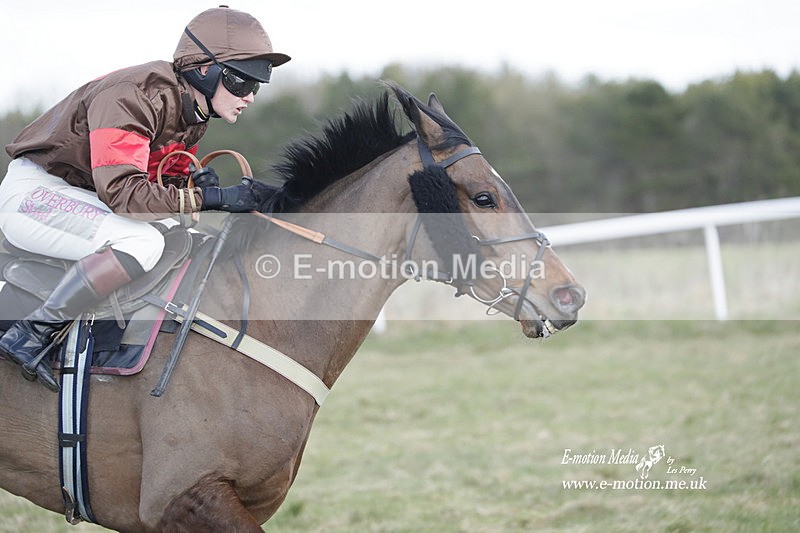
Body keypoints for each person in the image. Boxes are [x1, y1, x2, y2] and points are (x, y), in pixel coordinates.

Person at [0, 6, 290, 392]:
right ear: (204, 69)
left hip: (84, 196)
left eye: (257, 86)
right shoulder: (133, 95)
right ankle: (32, 333)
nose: (250, 97)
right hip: (36, 195)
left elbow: (159, 188)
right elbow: (123, 193)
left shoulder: (192, 113)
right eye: (242, 82)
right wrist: (212, 198)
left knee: (181, 237)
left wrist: (193, 185)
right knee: (142, 242)